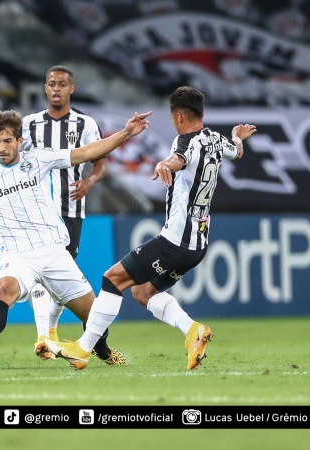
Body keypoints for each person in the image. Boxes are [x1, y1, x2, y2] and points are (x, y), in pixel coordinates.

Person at [39, 86, 257, 370]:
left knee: (112, 278)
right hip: (198, 244)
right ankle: (193, 331)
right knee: (142, 292)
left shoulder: (185, 141)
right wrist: (237, 137)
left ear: (178, 117)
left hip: (176, 241)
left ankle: (83, 350)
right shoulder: (216, 140)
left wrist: (164, 164)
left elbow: (178, 158)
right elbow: (236, 152)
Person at [0, 109, 152, 366]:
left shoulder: (39, 159)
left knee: (94, 314)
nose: (2, 147)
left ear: (19, 140)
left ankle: (103, 350)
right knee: (4, 288)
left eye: (7, 141)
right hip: (15, 255)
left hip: (52, 251)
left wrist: (127, 132)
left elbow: (87, 153)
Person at [21, 65, 117, 364]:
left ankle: (49, 330)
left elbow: (100, 162)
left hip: (70, 208)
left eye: (62, 84)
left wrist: (89, 181)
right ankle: (44, 336)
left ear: (71, 89)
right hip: (36, 211)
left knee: (63, 275)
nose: (57, 89)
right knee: (40, 271)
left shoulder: (85, 124)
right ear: (45, 88)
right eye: (52, 84)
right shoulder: (29, 124)